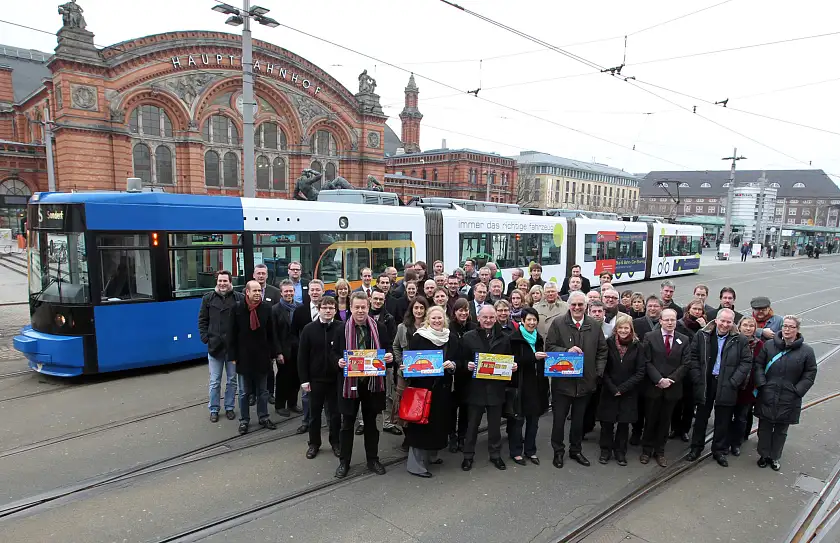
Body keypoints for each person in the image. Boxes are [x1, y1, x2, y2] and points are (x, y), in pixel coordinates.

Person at [334, 292, 394, 478]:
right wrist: (338, 361)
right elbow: (333, 353)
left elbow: (388, 349)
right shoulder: (340, 329)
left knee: (371, 424)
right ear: (350, 308)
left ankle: (373, 459)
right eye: (357, 307)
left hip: (372, 384)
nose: (360, 310)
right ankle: (344, 462)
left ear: (368, 307)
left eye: (363, 307)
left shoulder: (380, 328)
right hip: (349, 383)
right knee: (347, 424)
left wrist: (389, 357)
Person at [546, 291, 608, 468]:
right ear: (569, 305)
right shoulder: (558, 323)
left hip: (585, 383)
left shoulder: (594, 326)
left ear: (586, 306)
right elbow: (549, 347)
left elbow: (602, 351)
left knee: (578, 421)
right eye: (574, 304)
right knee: (558, 421)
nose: (577, 308)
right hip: (562, 383)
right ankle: (558, 452)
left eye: (581, 304)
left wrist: (597, 372)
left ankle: (576, 450)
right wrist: (566, 351)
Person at [686, 309, 753, 467]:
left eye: (729, 322)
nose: (725, 324)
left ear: (733, 323)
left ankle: (719, 450)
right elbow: (693, 357)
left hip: (728, 383)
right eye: (722, 321)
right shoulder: (702, 335)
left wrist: (734, 381)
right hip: (706, 382)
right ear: (716, 320)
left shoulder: (740, 339)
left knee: (723, 419)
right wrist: (697, 377)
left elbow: (746, 362)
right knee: (701, 417)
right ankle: (696, 448)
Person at [754, 315, 817, 471]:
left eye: (791, 327)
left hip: (789, 397)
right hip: (768, 393)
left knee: (781, 430)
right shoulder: (769, 345)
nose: (787, 329)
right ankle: (763, 455)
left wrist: (798, 391)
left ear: (797, 330)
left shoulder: (807, 351)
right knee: (765, 427)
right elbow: (759, 365)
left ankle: (774, 457)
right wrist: (762, 384)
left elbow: (810, 373)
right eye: (785, 326)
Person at [403, 306, 457, 478]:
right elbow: (410, 361)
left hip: (443, 391)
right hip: (423, 390)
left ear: (445, 319)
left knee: (438, 425)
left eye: (439, 318)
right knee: (420, 426)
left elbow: (460, 359)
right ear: (428, 319)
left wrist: (453, 365)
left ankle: (432, 456)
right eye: (433, 318)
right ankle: (416, 465)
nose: (437, 321)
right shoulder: (419, 337)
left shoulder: (451, 337)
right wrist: (406, 368)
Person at [460, 305, 516, 471]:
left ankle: (495, 455)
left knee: (494, 426)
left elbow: (508, 360)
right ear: (478, 318)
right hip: (475, 389)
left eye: (491, 317)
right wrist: (466, 366)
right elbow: (460, 360)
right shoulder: (468, 337)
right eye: (485, 317)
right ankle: (468, 456)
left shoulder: (505, 337)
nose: (488, 320)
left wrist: (512, 367)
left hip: (496, 389)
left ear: (496, 318)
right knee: (472, 426)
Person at [639, 308, 690, 467]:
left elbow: (686, 364)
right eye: (666, 320)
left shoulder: (684, 339)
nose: (669, 323)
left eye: (672, 320)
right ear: (660, 321)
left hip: (672, 389)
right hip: (654, 386)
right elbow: (646, 361)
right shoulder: (650, 337)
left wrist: (671, 380)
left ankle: (659, 451)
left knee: (665, 421)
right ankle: (646, 450)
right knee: (651, 419)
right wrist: (659, 379)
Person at [229, 280, 278, 435]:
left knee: (263, 391)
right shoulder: (237, 308)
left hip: (262, 357)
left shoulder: (266, 308)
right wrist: (233, 356)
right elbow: (231, 334)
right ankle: (244, 420)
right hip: (243, 357)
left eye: (259, 291)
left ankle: (263, 417)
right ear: (247, 292)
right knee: (244, 392)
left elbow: (272, 333)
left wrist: (273, 354)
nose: (257, 294)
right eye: (254, 291)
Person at [298, 296, 343, 459]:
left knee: (335, 414)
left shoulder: (341, 328)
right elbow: (302, 356)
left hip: (335, 379)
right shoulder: (309, 329)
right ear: (319, 309)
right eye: (325, 308)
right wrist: (304, 380)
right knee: (314, 414)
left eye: (331, 308)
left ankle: (336, 442)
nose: (328, 310)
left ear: (335, 311)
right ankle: (314, 443)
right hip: (315, 379)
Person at [597, 315, 645, 466]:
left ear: (631, 329)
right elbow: (602, 368)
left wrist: (623, 388)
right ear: (616, 329)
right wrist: (612, 387)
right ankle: (605, 450)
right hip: (609, 389)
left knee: (624, 424)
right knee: (607, 423)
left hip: (628, 391)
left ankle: (620, 452)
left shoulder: (638, 346)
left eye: (627, 328)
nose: (623, 331)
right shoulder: (608, 344)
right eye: (621, 328)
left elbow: (640, 371)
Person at [198, 270, 243, 422]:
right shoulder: (208, 298)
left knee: (232, 380)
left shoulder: (239, 298)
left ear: (231, 282)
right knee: (215, 381)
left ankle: (229, 407)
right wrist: (206, 338)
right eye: (220, 281)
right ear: (216, 282)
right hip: (215, 347)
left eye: (225, 281)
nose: (222, 284)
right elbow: (202, 320)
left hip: (233, 348)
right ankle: (214, 409)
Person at [507, 307, 549, 465]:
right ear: (522, 321)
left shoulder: (538, 338)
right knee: (518, 421)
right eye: (529, 320)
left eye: (534, 320)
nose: (532, 323)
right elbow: (512, 360)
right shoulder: (514, 339)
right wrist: (533, 357)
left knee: (534, 421)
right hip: (521, 384)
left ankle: (531, 451)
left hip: (537, 384)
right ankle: (516, 452)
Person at [390, 297, 429, 444]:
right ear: (411, 310)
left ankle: (419, 437)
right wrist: (400, 362)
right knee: (405, 405)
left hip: (424, 374)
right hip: (405, 374)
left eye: (421, 308)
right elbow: (395, 347)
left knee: (420, 405)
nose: (418, 311)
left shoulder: (430, 326)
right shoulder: (402, 327)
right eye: (416, 308)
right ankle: (408, 437)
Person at [290, 280, 326, 434]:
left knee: (329, 396)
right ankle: (306, 421)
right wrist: (302, 348)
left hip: (326, 359)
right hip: (308, 359)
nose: (315, 292)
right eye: (312, 290)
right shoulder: (300, 311)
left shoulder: (330, 309)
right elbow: (292, 333)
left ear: (323, 291)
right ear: (308, 292)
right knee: (306, 394)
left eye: (318, 290)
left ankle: (330, 422)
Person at [670, 298, 707, 441]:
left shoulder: (705, 327)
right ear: (688, 310)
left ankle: (685, 429)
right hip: (680, 367)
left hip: (695, 369)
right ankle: (675, 428)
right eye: (694, 309)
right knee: (677, 401)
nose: (697, 312)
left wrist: (703, 328)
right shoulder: (680, 324)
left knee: (690, 403)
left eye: (700, 310)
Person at [630, 295, 664, 445]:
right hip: (640, 371)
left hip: (658, 372)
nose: (652, 308)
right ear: (645, 307)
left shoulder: (665, 325)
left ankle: (650, 434)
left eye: (656, 306)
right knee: (638, 405)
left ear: (661, 308)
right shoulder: (637, 323)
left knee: (654, 407)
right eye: (650, 306)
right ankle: (636, 431)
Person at [731, 316, 763, 455]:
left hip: (748, 388)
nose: (748, 328)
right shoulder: (733, 340)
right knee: (727, 415)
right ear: (739, 326)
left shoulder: (760, 345)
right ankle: (725, 440)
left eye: (751, 326)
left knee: (741, 417)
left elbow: (760, 366)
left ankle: (737, 442)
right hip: (731, 385)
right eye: (745, 325)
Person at [449, 298, 475, 452]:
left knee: (465, 408)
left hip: (468, 374)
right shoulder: (449, 328)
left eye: (466, 310)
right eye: (460, 310)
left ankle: (462, 437)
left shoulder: (473, 327)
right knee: (452, 408)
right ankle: (452, 436)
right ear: (455, 312)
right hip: (453, 374)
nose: (464, 313)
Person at [271, 280, 299, 417]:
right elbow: (274, 333)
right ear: (281, 293)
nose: (289, 293)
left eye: (291, 291)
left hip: (298, 350)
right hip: (283, 351)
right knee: (283, 378)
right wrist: (278, 352)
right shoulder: (275, 310)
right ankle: (280, 405)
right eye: (286, 291)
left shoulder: (299, 307)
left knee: (296, 377)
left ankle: (292, 403)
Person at [254, 263, 280, 404]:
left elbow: (276, 315)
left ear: (267, 275)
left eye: (263, 273)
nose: (261, 276)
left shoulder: (274, 292)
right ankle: (252, 393)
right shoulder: (247, 290)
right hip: (252, 338)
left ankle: (270, 393)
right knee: (251, 368)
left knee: (269, 367)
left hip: (268, 337)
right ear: (254, 275)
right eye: (258, 273)